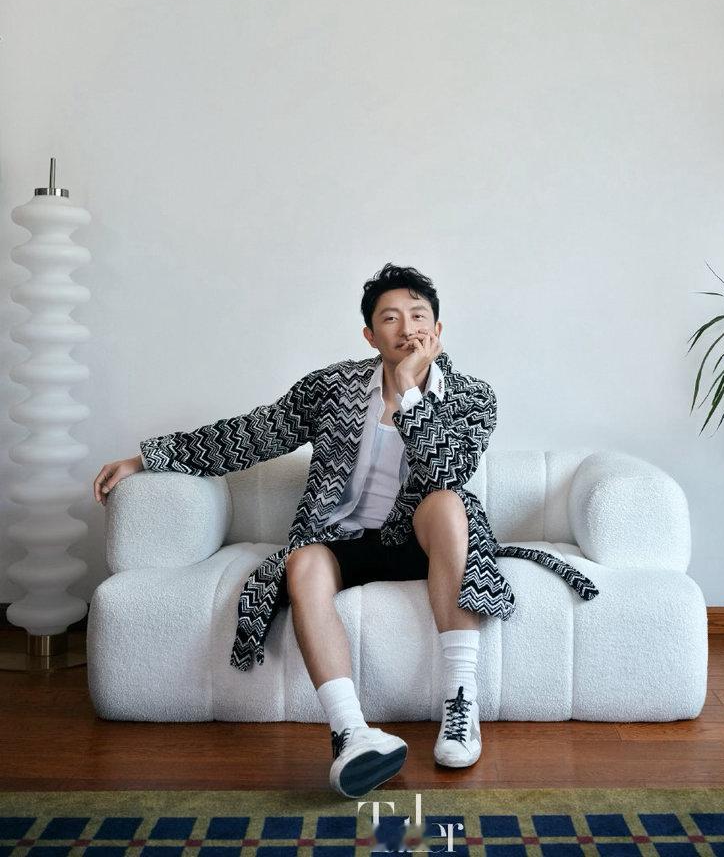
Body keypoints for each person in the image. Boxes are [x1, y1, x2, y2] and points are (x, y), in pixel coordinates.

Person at [94, 262, 598, 799]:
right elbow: (254, 433)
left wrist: (409, 393)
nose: (407, 329)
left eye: (419, 316)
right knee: (302, 561)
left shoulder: (472, 396)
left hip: (422, 540)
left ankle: (459, 705)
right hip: (343, 539)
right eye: (390, 318)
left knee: (448, 503)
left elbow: (445, 471)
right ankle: (351, 733)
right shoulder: (332, 387)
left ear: (438, 330)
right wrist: (148, 458)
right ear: (369, 335)